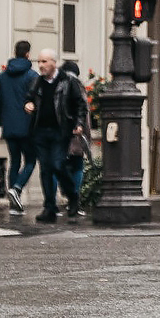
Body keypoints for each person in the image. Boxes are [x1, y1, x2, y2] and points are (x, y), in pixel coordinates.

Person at [23, 48, 81, 223]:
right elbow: (28, 98)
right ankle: (49, 208)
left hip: (59, 130)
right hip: (40, 131)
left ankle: (72, 196)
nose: (41, 66)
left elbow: (79, 104)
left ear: (54, 63)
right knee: (46, 170)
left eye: (44, 62)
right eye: (39, 62)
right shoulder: (36, 82)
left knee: (57, 164)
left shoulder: (68, 81)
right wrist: (28, 104)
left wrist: (78, 124)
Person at [0, 40, 37, 215]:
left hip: (9, 127)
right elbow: (37, 101)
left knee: (14, 161)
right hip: (27, 127)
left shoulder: (2, 77)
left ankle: (14, 205)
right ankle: (16, 189)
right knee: (30, 160)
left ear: (15, 52)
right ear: (28, 54)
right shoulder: (32, 76)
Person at [60, 59, 94, 217]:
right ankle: (73, 200)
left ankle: (66, 199)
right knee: (77, 167)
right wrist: (86, 135)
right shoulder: (78, 87)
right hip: (76, 133)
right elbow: (84, 113)